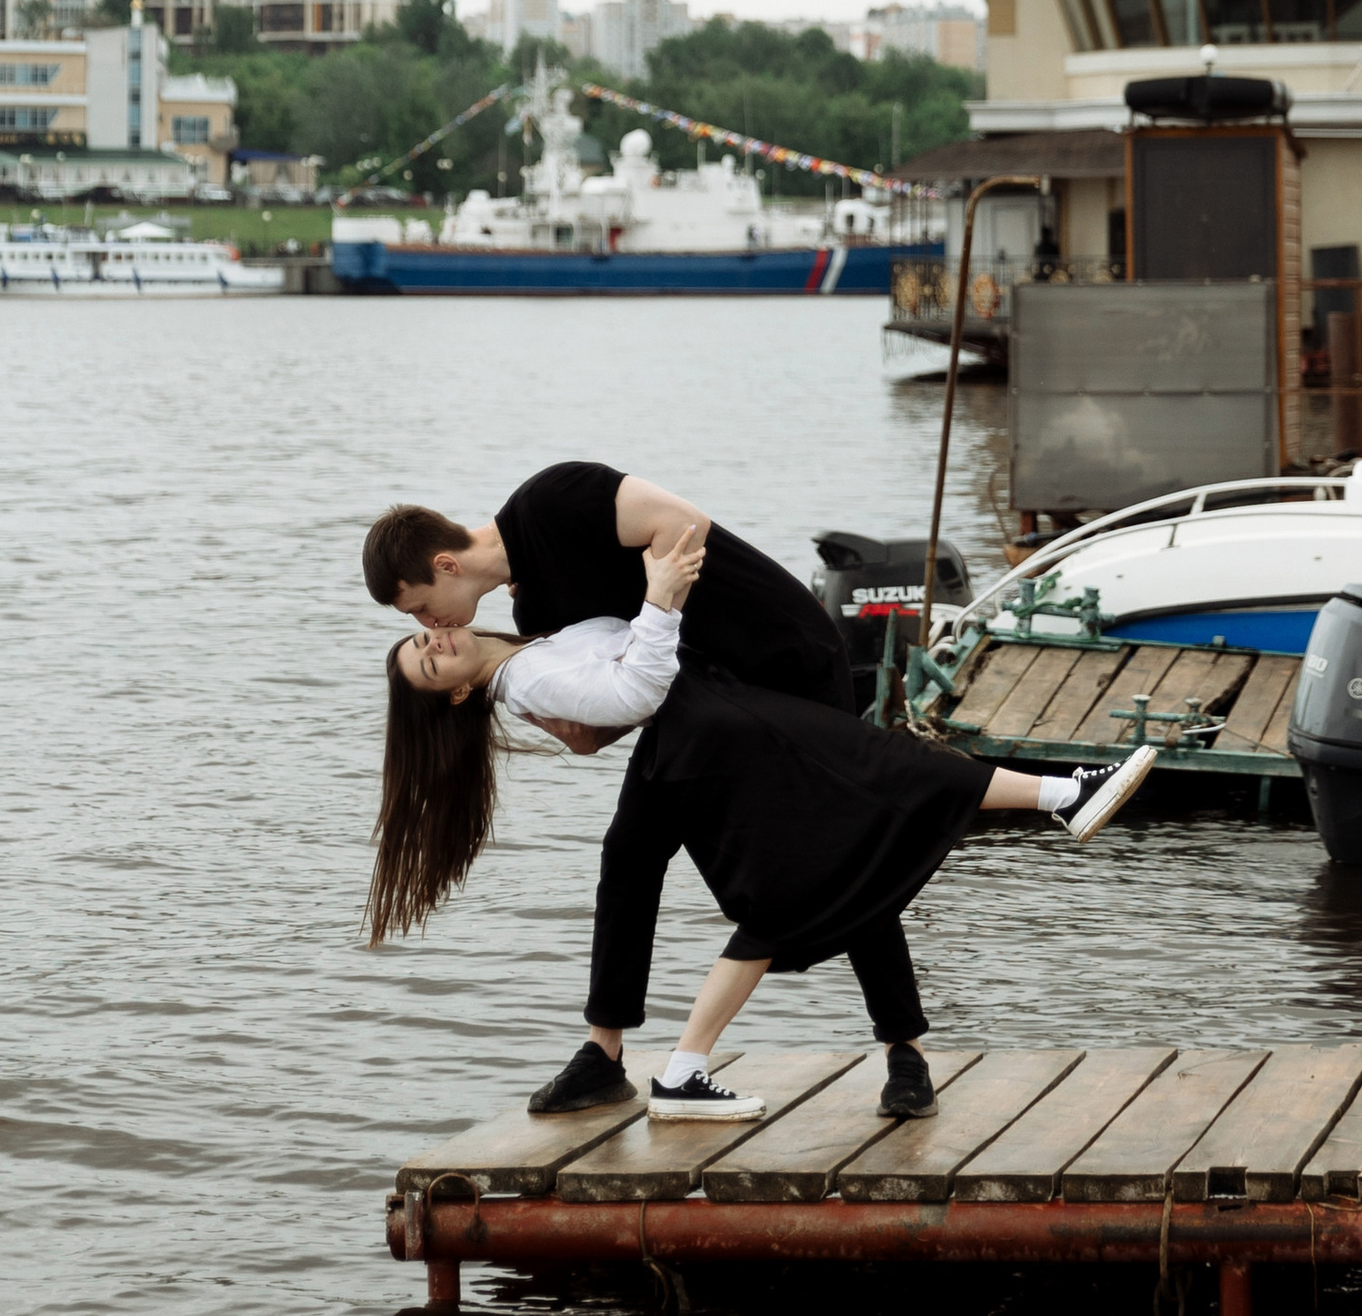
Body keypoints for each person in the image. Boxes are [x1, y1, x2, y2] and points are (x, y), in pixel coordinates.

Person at [365, 536, 1147, 1124]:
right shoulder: (524, 672)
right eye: (425, 651)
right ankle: (1062, 796)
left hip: (703, 727)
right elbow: (635, 687)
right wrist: (662, 597)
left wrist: (584, 670)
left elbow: (603, 706)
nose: (432, 633)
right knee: (873, 788)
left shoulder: (530, 630)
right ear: (455, 696)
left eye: (421, 626)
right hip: (710, 733)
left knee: (825, 852)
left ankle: (837, 1051)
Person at [361, 459, 849, 713]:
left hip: (790, 651)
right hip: (732, 695)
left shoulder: (550, 500)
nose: (428, 624)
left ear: (446, 565)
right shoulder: (532, 614)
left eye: (419, 608)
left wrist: (658, 601)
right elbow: (618, 691)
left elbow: (685, 524)